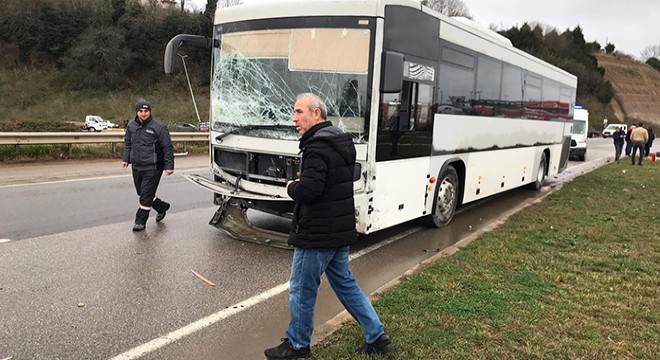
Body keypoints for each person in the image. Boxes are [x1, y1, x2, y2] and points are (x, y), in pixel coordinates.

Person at [264, 93, 392, 359]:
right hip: (338, 230)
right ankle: (377, 336)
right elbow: (331, 182)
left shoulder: (316, 146)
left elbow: (310, 191)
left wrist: (292, 187)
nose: (294, 118)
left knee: (301, 289)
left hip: (317, 232)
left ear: (316, 114)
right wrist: (309, 179)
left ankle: (298, 346)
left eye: (299, 112)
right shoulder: (340, 141)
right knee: (346, 284)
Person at [122, 99, 174, 231]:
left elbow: (167, 147)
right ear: (137, 112)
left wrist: (169, 166)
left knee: (145, 196)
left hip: (153, 167)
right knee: (142, 192)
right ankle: (161, 207)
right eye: (141, 111)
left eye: (146, 111)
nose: (143, 114)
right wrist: (126, 159)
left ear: (150, 112)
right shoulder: (131, 126)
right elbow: (128, 143)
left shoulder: (159, 127)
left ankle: (140, 221)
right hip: (137, 166)